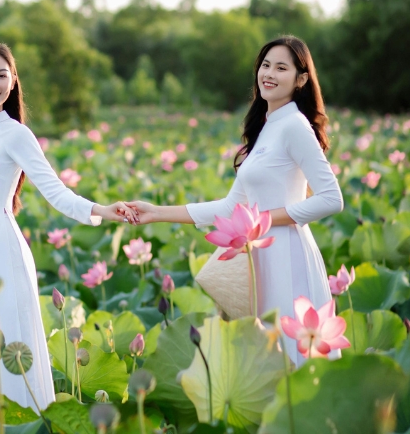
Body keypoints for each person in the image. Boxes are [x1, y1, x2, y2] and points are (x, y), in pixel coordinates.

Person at [0, 42, 135, 410]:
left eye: (2, 76)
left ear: (13, 83)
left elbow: (56, 192)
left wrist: (102, 210)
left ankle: (22, 421)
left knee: (8, 345)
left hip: (2, 252)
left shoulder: (16, 134)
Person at [127, 35, 343, 364]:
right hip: (258, 258)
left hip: (287, 255)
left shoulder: (296, 126)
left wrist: (265, 220)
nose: (269, 73)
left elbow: (331, 198)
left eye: (281, 68)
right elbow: (230, 209)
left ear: (301, 80)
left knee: (291, 362)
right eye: (265, 65)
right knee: (261, 361)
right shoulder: (267, 126)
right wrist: (155, 213)